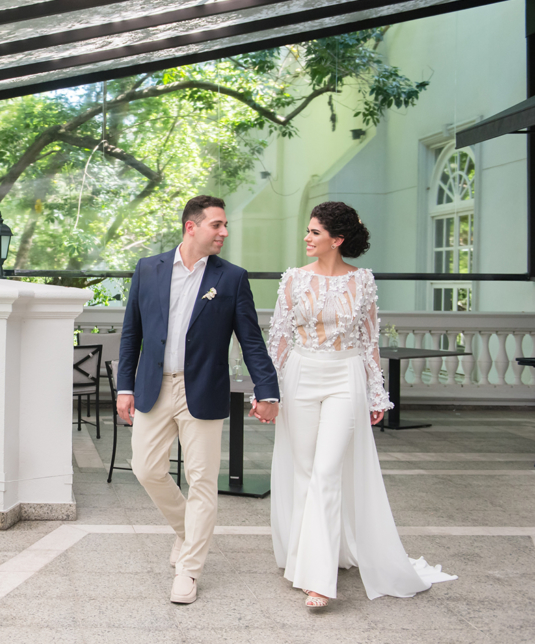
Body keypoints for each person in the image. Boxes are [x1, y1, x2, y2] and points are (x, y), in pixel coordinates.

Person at [262, 201, 455, 609]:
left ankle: (319, 581)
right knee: (305, 471)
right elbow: (278, 338)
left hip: (344, 376)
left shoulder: (362, 281)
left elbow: (369, 342)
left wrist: (376, 392)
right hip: (300, 376)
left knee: (328, 470)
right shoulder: (293, 280)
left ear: (338, 239)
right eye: (308, 231)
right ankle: (305, 557)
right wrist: (268, 392)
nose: (307, 238)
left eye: (314, 232)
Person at [116, 195, 280, 604]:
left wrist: (268, 389)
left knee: (202, 481)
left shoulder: (232, 278)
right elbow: (131, 332)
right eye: (218, 225)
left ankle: (189, 571)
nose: (225, 232)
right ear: (192, 227)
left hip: (203, 389)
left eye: (225, 226)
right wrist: (124, 386)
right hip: (155, 386)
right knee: (146, 468)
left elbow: (251, 341)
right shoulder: (148, 269)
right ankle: (186, 530)